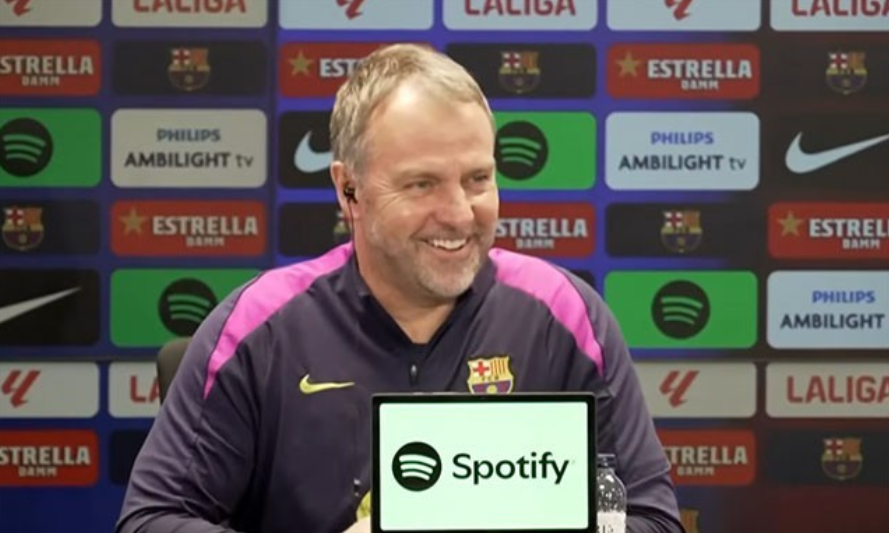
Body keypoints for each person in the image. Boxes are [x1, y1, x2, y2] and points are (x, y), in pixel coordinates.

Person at [116, 43, 685, 533]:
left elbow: (651, 519)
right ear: (349, 191)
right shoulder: (259, 327)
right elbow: (152, 519)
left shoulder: (564, 314)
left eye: (478, 179)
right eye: (421, 184)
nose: (459, 214)